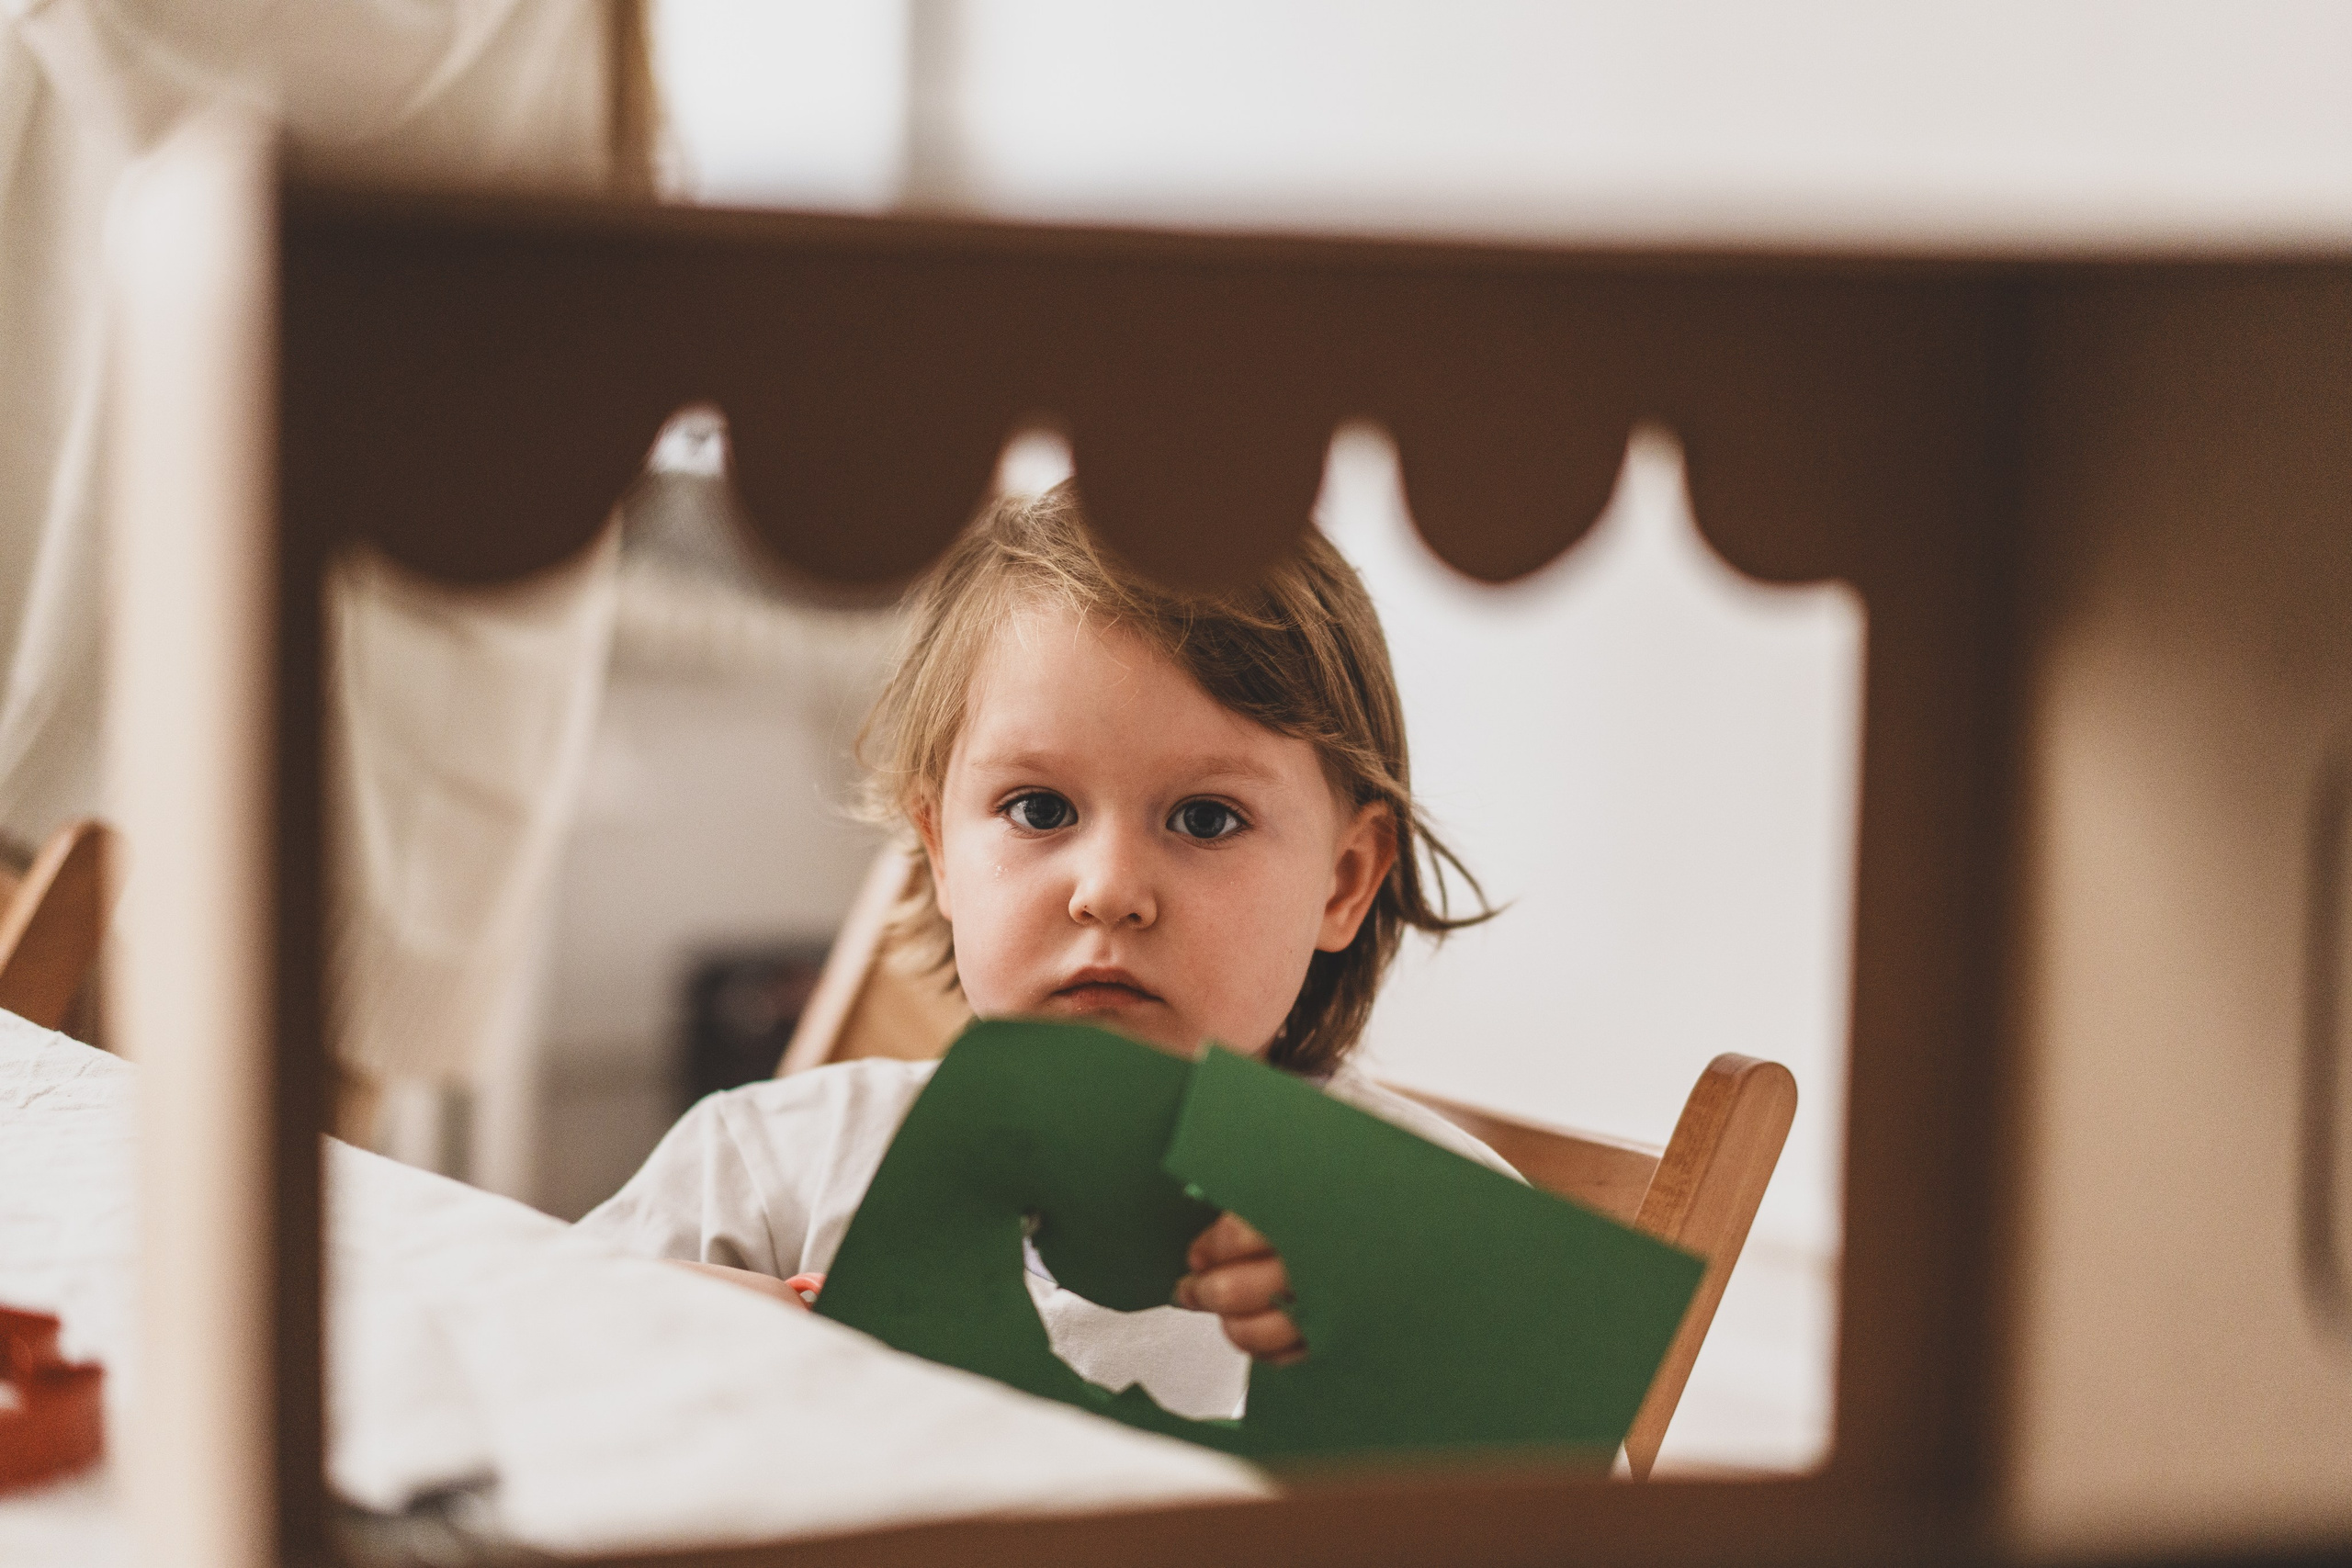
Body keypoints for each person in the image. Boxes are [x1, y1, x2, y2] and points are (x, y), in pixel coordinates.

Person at [575, 479, 1513, 1419]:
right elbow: (522, 1380)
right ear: (939, 851)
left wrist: (1400, 1349)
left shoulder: (1434, 1235)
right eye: (1038, 810)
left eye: (1204, 817)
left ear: (1344, 883)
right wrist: (663, 1337)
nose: (1107, 890)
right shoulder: (759, 1171)